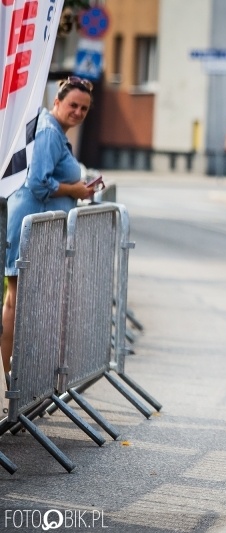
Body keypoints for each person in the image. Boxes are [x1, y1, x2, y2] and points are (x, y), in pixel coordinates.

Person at [2, 76, 96, 384]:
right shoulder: (48, 131)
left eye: (84, 108)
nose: (78, 112)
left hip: (36, 226)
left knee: (19, 300)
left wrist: (75, 190)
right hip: (31, 225)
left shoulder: (54, 130)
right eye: (73, 105)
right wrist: (76, 190)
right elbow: (38, 183)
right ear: (57, 101)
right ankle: (11, 382)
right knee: (19, 300)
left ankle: (15, 381)